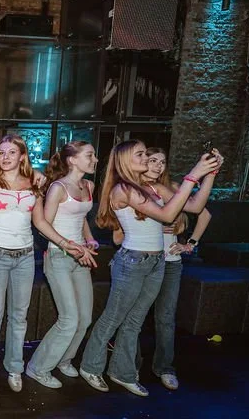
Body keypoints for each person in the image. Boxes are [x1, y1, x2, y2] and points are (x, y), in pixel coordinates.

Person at [78, 140, 221, 397]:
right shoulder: (123, 189)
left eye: (147, 153)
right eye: (141, 154)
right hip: (132, 261)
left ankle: (122, 373)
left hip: (157, 261)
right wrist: (192, 175)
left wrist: (209, 174)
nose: (147, 158)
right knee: (113, 318)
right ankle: (90, 367)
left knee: (135, 322)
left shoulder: (154, 187)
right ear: (125, 160)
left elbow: (196, 207)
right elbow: (167, 216)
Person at [0, 135, 95, 394]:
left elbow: (41, 223)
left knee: (19, 317)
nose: (6, 157)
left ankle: (15, 368)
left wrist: (67, 244)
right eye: (1, 152)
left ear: (22, 156)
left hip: (24, 257)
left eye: (12, 152)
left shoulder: (35, 183)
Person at [25, 141, 102, 389]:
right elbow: (45, 225)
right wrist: (69, 245)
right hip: (59, 256)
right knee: (69, 319)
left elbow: (81, 218)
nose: (95, 160)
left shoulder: (88, 185)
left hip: (81, 258)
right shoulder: (58, 188)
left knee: (84, 318)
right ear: (73, 160)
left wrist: (89, 240)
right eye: (90, 155)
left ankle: (64, 359)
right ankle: (38, 368)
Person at [138, 147, 212, 391]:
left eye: (162, 161)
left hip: (170, 261)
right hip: (142, 260)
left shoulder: (172, 188)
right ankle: (131, 365)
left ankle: (165, 368)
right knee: (134, 317)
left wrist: (190, 244)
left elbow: (204, 214)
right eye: (152, 160)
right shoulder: (132, 188)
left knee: (166, 318)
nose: (158, 165)